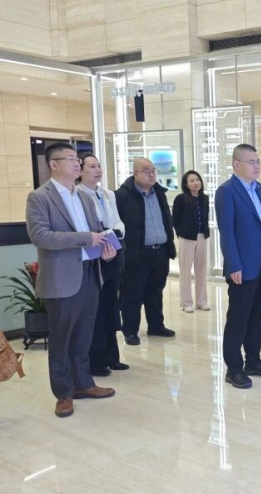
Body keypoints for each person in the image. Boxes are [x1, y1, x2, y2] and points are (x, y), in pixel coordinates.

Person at [26, 143, 116, 418]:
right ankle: (63, 393)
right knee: (62, 339)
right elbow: (40, 235)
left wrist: (106, 249)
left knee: (83, 336)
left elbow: (96, 232)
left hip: (90, 273)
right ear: (53, 165)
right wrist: (85, 238)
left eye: (77, 159)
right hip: (62, 279)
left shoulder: (85, 197)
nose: (77, 163)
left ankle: (83, 384)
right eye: (70, 159)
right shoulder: (39, 197)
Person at [215, 144, 261, 389]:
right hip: (241, 265)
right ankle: (234, 369)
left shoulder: (259, 188)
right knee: (238, 318)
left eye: (258, 161)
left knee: (257, 315)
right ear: (236, 164)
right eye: (251, 162)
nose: (257, 166)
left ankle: (254, 361)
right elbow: (227, 232)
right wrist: (233, 265)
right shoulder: (227, 191)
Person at [77, 153, 129, 377]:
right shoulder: (78, 195)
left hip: (112, 250)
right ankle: (96, 361)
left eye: (99, 165)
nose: (97, 170)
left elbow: (117, 220)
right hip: (93, 256)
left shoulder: (107, 193)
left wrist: (116, 231)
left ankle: (112, 357)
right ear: (80, 171)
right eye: (92, 166)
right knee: (96, 311)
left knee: (111, 306)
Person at [115, 157, 177, 345]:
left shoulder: (160, 193)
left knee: (155, 291)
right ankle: (130, 330)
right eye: (146, 171)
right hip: (135, 254)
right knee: (132, 294)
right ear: (135, 173)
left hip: (160, 252)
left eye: (153, 171)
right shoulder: (122, 196)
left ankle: (156, 326)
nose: (151, 174)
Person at [172, 170, 210, 313]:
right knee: (185, 271)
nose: (195, 183)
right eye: (192, 181)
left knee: (201, 270)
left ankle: (202, 301)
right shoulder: (181, 199)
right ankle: (186, 302)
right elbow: (175, 219)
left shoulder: (204, 198)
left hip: (202, 236)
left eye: (197, 180)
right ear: (186, 184)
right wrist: (180, 233)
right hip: (186, 237)